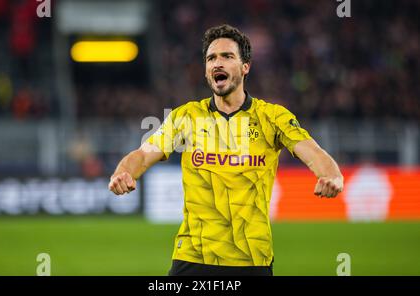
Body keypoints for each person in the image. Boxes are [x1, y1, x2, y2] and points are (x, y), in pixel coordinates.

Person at [109, 24, 344, 276]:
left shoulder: (272, 117)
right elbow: (143, 154)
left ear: (246, 67)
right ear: (206, 70)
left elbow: (314, 153)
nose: (217, 63)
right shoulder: (186, 116)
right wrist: (123, 172)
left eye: (227, 56)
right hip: (193, 256)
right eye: (211, 58)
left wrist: (332, 176)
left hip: (252, 258)